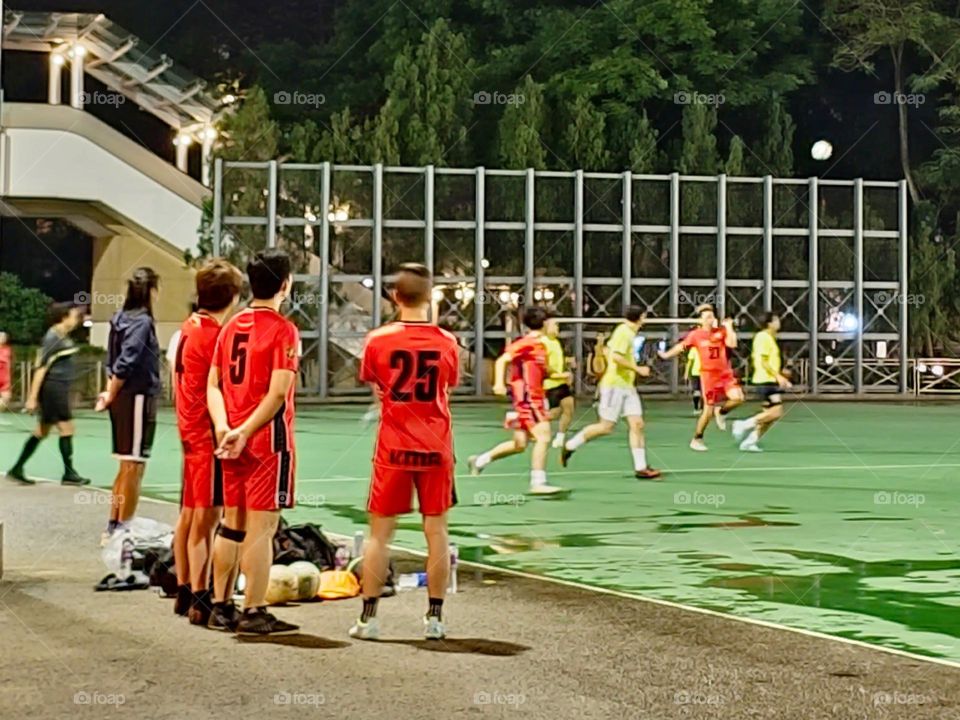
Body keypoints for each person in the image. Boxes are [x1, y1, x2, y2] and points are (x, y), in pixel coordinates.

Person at [349, 263, 460, 641]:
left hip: (394, 446)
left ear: (395, 296)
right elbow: (447, 387)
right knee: (437, 531)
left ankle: (369, 619)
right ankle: (435, 619)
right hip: (435, 445)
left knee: (379, 535)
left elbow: (377, 387)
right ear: (429, 297)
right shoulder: (446, 342)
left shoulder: (378, 340)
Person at [207, 248, 300, 636]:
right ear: (285, 285)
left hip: (231, 441)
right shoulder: (283, 330)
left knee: (232, 523)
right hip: (264, 443)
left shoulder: (231, 326)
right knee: (262, 527)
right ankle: (254, 609)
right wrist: (245, 431)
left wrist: (224, 427)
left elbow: (213, 385)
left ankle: (220, 605)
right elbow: (277, 393)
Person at [172, 261, 243, 624]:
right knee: (207, 518)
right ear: (233, 296)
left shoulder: (189, 327)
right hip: (205, 433)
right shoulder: (216, 336)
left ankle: (184, 589)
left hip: (188, 429)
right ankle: (202, 598)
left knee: (188, 515)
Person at [467, 307, 565, 495]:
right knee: (544, 436)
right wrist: (498, 383)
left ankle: (479, 461)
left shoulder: (541, 346)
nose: (557, 327)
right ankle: (538, 482)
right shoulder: (526, 343)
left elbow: (539, 371)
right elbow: (502, 360)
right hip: (528, 399)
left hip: (534, 397)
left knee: (519, 444)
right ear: (544, 323)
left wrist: (559, 375)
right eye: (555, 323)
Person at [96, 269, 161, 542]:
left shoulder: (119, 318)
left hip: (125, 396)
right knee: (134, 465)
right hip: (137, 397)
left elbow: (112, 361)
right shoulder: (142, 322)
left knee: (127, 464)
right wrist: (110, 394)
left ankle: (115, 524)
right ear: (152, 291)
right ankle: (123, 530)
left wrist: (110, 391)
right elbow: (126, 360)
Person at [559, 306, 662, 479]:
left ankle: (641, 467)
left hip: (627, 386)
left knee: (637, 424)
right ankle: (570, 445)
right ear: (641, 317)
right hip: (614, 386)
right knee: (605, 427)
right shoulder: (624, 332)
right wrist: (637, 369)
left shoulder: (627, 332)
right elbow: (616, 357)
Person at [7, 304, 89, 485]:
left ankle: (17, 468)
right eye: (74, 316)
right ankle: (69, 473)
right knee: (67, 429)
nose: (77, 320)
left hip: (59, 388)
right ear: (63, 317)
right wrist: (32, 397)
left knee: (41, 431)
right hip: (53, 389)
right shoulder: (52, 338)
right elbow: (41, 368)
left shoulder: (63, 336)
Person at [659, 304, 743, 452]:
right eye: (707, 317)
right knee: (707, 410)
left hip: (725, 373)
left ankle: (722, 412)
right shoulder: (696, 335)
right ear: (701, 320)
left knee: (738, 398)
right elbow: (681, 347)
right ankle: (697, 438)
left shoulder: (721, 332)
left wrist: (729, 327)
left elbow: (732, 343)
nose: (710, 320)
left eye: (712, 316)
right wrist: (666, 355)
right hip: (709, 375)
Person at [732, 312, 791, 452]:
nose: (778, 322)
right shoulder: (763, 337)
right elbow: (763, 361)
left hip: (769, 379)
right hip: (765, 380)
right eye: (776, 320)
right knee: (776, 412)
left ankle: (750, 441)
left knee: (768, 416)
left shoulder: (770, 337)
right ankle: (743, 424)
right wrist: (778, 376)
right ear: (769, 323)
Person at [542, 318, 575, 449]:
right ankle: (530, 422)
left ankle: (560, 438)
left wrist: (567, 362)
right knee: (554, 413)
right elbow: (544, 366)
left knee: (569, 408)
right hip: (550, 384)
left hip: (561, 383)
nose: (557, 328)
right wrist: (560, 375)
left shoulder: (556, 342)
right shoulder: (543, 343)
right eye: (554, 325)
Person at [684, 346, 702, 415]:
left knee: (704, 393)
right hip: (695, 373)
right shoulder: (694, 349)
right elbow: (689, 362)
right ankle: (696, 408)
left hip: (705, 373)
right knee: (697, 391)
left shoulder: (707, 347)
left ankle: (702, 408)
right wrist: (686, 373)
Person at [0, 331, 11, 422]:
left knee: (7, 398)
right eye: (1, 336)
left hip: (5, 378)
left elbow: (9, 362)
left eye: (4, 337)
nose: (3, 338)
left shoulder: (8, 349)